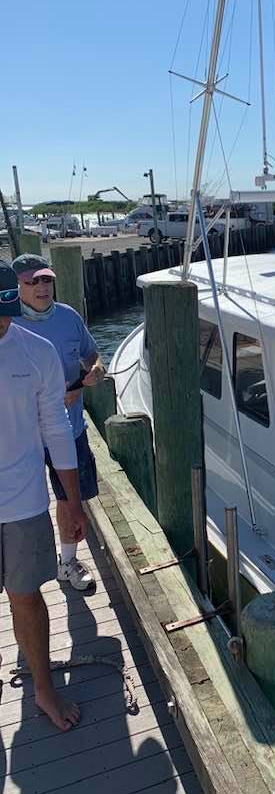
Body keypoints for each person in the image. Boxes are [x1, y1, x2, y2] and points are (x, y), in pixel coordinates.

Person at [0, 260, 86, 730]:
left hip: (24, 501)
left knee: (26, 597)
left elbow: (56, 427)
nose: (3, 322)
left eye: (6, 311)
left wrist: (70, 500)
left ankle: (44, 688)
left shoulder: (36, 352)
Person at [12, 252, 105, 590]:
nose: (41, 287)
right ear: (16, 286)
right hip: (23, 436)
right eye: (31, 281)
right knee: (23, 501)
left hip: (69, 429)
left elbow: (93, 354)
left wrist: (94, 369)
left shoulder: (68, 317)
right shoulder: (8, 324)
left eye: (46, 279)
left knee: (69, 498)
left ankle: (67, 562)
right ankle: (23, 568)